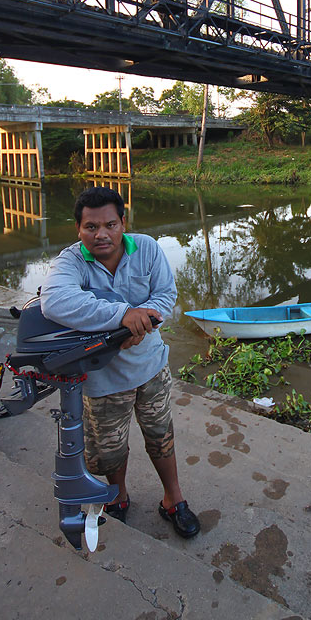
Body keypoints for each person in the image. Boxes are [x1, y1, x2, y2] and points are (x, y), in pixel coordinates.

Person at [40, 185, 200, 538]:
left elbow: (165, 294)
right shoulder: (71, 261)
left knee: (161, 436)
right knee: (110, 450)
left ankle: (173, 499)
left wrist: (141, 324)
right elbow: (55, 302)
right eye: (91, 227)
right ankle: (118, 497)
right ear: (78, 230)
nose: (102, 235)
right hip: (102, 380)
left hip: (150, 368)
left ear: (123, 223)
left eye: (110, 225)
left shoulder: (147, 249)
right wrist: (122, 316)